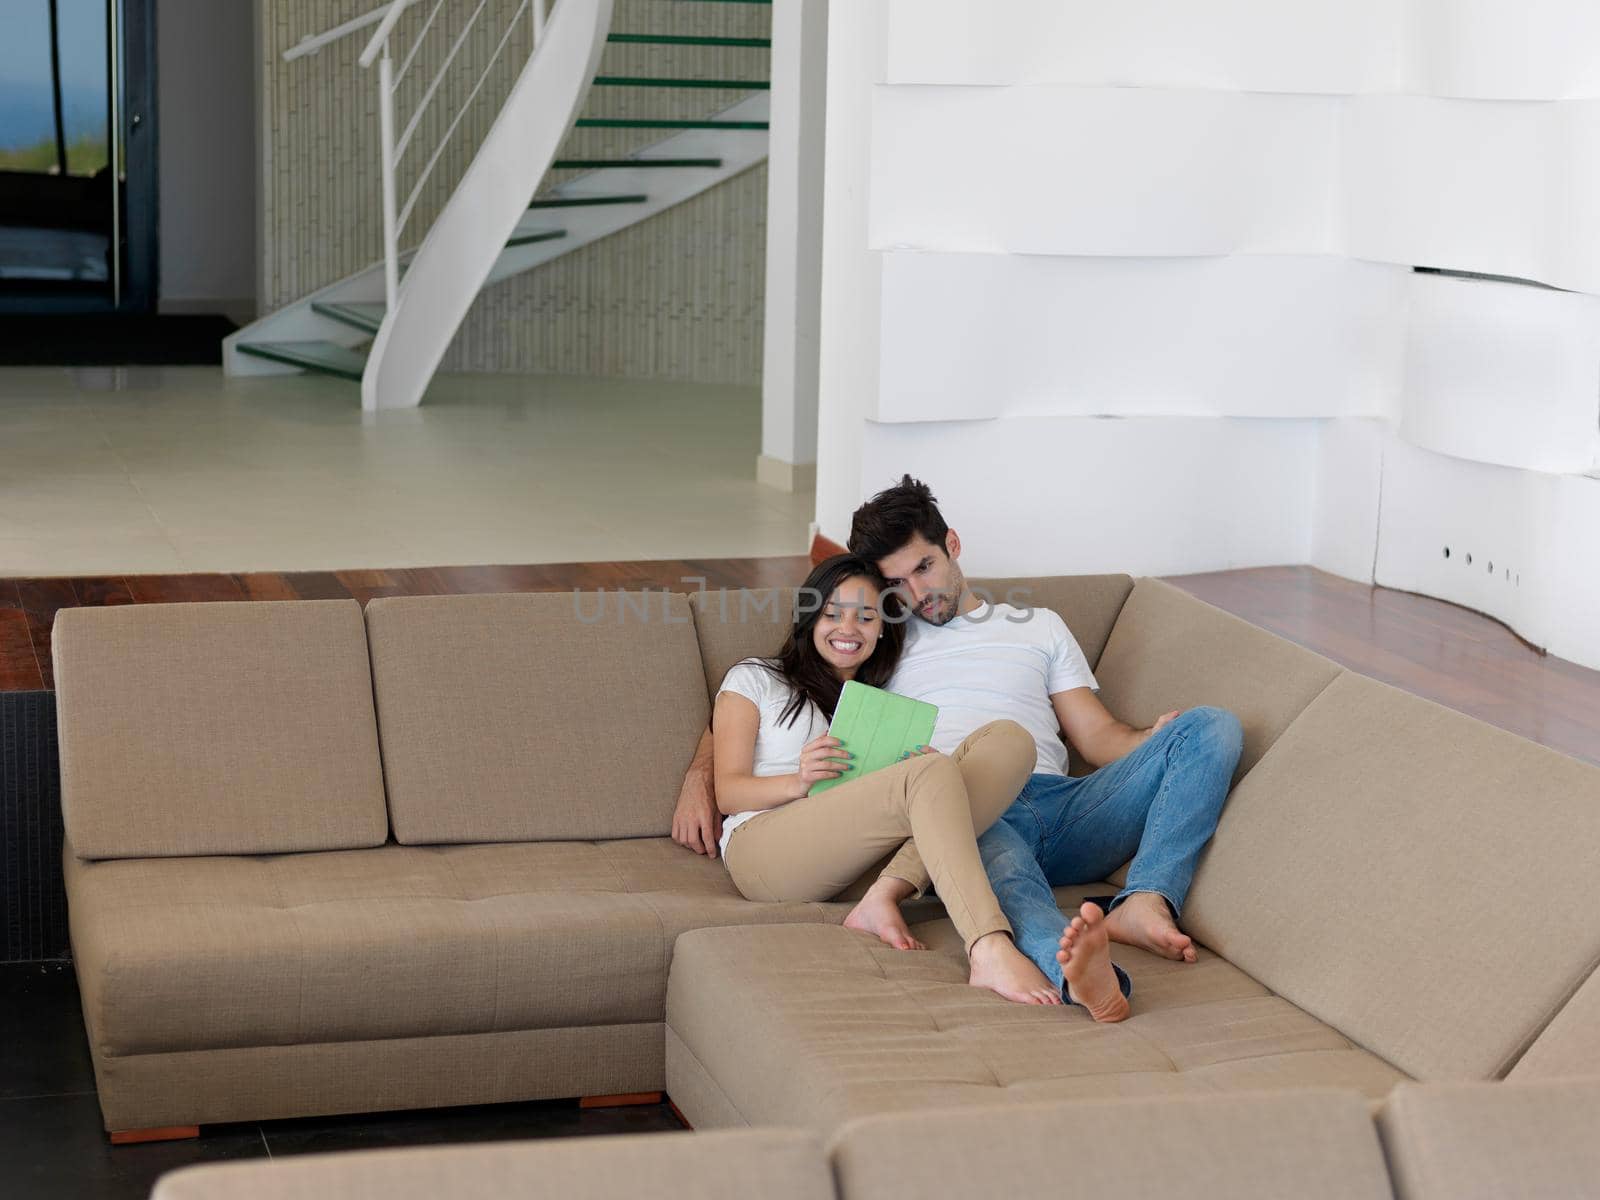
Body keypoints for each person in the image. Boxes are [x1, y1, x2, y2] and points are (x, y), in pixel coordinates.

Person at [674, 477, 1244, 1024]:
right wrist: (700, 775)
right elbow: (777, 683)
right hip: (961, 816)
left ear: (952, 545)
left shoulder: (1039, 627)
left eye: (924, 567)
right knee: (961, 805)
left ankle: (1146, 899)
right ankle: (1073, 974)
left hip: (1066, 806)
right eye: (895, 584)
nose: (917, 594)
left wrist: (1155, 741)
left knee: (1211, 726)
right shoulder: (877, 644)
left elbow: (1098, 739)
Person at [710, 551, 1062, 1005]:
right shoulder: (756, 678)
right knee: (932, 772)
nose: (847, 629)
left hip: (862, 861)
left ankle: (884, 894)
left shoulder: (886, 699)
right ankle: (987, 945)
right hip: (766, 852)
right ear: (809, 617)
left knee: (1009, 740)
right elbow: (728, 792)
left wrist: (931, 776)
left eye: (866, 618)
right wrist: (798, 780)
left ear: (882, 628)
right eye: (832, 614)